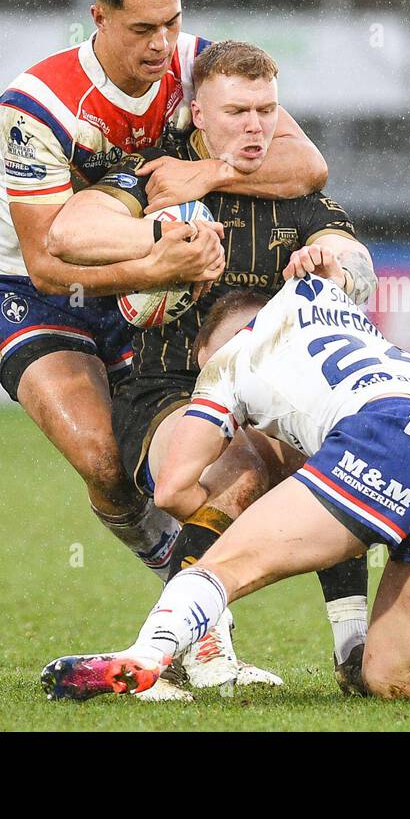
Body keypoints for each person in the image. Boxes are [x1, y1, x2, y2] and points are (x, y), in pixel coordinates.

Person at [40, 249, 410, 707]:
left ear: (209, 346)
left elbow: (174, 488)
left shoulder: (229, 360)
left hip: (386, 435)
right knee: (393, 674)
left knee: (218, 571)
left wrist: (236, 517)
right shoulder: (329, 300)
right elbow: (347, 262)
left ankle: (144, 658)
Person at [0, 0, 327, 695]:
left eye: (172, 22)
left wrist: (214, 167)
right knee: (102, 462)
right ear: (98, 17)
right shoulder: (38, 106)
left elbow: (307, 167)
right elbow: (45, 258)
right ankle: (199, 629)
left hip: (154, 284)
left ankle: (191, 633)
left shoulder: (202, 63)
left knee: (217, 461)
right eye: (142, 29)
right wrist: (156, 263)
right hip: (33, 293)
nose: (163, 45)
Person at [46, 41, 375, 696]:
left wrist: (333, 266)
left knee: (345, 464)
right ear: (198, 112)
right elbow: (68, 234)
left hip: (270, 400)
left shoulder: (297, 190)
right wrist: (155, 248)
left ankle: (354, 655)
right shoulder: (155, 180)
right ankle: (175, 651)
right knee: (240, 467)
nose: (257, 126)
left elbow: (356, 263)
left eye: (267, 110)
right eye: (237, 111)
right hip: (168, 394)